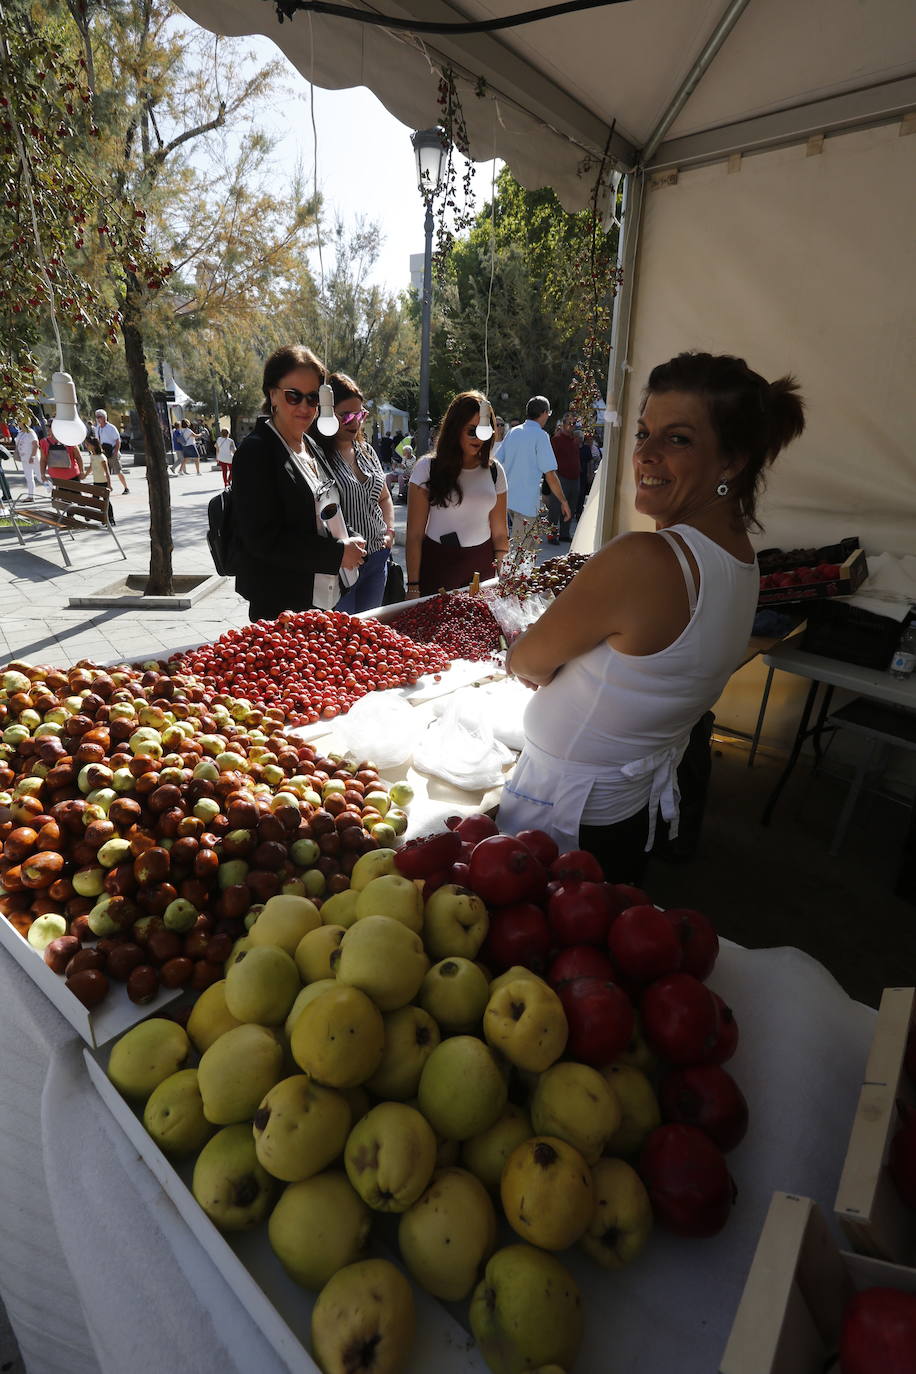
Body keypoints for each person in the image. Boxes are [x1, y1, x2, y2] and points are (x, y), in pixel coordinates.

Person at [499, 351, 806, 885]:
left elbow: (526, 659)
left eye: (678, 439)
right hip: (621, 815)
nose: (646, 455)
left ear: (731, 461)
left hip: (566, 824)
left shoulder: (645, 559)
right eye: (644, 433)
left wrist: (542, 656)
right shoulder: (740, 558)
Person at [230, 344, 366, 623]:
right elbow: (262, 540)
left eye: (314, 398)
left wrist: (351, 538)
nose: (305, 407)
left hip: (325, 600)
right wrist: (338, 553)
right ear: (273, 395)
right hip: (280, 609)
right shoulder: (256, 451)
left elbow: (327, 508)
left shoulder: (311, 444)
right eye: (294, 396)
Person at [405, 390, 509, 599]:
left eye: (484, 431)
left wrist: (504, 577)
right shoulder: (427, 468)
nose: (478, 438)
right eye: (472, 430)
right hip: (439, 567)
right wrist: (413, 586)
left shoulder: (495, 470)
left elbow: (499, 533)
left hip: (483, 568)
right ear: (455, 429)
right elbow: (414, 535)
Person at [311, 372, 395, 614]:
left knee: (370, 633)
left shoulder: (366, 450)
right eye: (346, 415)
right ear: (325, 412)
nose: (354, 422)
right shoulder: (316, 456)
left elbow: (385, 497)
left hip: (378, 559)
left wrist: (389, 532)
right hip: (341, 567)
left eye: (359, 414)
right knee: (344, 639)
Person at [498, 396, 571, 544]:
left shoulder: (513, 432)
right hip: (526, 504)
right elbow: (550, 474)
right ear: (544, 413)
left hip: (508, 500)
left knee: (516, 551)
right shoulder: (541, 436)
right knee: (522, 554)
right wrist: (563, 501)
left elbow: (496, 461)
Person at [548, 412, 581, 542]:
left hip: (575, 478)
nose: (572, 426)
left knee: (571, 506)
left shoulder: (574, 440)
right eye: (569, 423)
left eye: (574, 424)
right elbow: (552, 461)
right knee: (555, 508)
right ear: (563, 424)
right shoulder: (556, 439)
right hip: (561, 478)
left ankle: (564, 534)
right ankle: (552, 534)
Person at [93, 409, 128, 493]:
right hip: (104, 454)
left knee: (118, 471)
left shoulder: (111, 428)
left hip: (112, 453)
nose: (98, 419)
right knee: (105, 472)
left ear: (104, 417)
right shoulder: (97, 428)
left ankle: (126, 487)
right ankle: (108, 487)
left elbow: (118, 440)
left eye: (99, 417)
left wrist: (115, 452)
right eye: (97, 417)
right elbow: (97, 441)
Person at [14, 422, 41, 500]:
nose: (17, 423)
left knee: (40, 477)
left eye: (19, 421)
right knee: (29, 478)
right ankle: (31, 496)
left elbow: (36, 444)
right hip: (25, 459)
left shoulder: (30, 432)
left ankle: (52, 490)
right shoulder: (20, 433)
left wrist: (32, 456)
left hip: (33, 459)